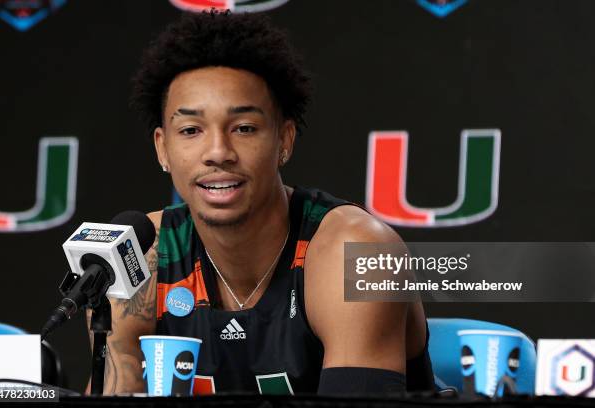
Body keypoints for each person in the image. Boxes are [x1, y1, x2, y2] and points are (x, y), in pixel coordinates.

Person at [98, 10, 434, 396]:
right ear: (163, 149)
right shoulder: (141, 255)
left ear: (284, 140)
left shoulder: (356, 253)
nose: (218, 152)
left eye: (244, 128)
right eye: (191, 130)